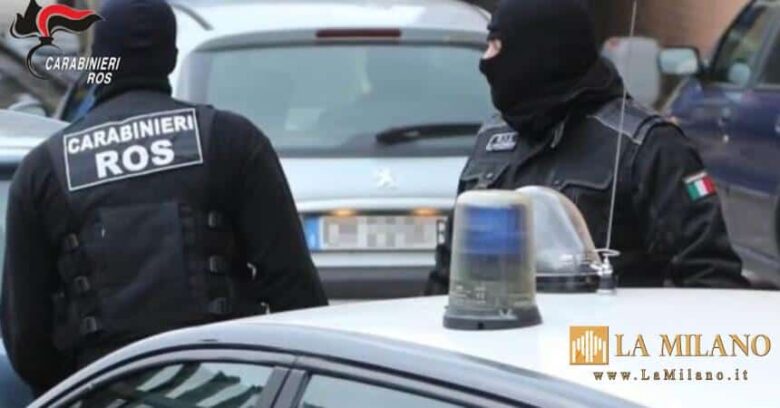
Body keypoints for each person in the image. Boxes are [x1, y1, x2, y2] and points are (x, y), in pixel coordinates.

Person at [1, 0, 327, 395]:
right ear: (172, 56)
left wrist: (84, 389)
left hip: (103, 393)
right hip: (229, 389)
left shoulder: (45, 169)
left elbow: (26, 336)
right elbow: (295, 289)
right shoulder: (231, 141)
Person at [426, 0, 748, 294]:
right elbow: (449, 275)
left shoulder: (647, 146)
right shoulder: (492, 139)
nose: (485, 61)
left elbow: (711, 279)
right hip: (498, 336)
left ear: (538, 55)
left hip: (600, 338)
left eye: (496, 46)